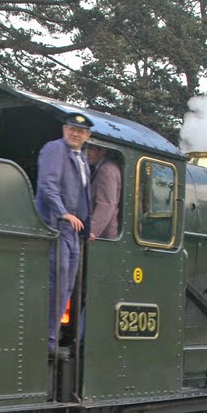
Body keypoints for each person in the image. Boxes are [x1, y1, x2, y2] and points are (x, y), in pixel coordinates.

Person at [35, 112, 92, 355]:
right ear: (64, 129)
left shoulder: (81, 159)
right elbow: (47, 184)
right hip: (56, 226)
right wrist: (62, 213)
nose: (75, 133)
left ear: (87, 136)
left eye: (80, 131)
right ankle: (46, 342)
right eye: (71, 129)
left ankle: (52, 338)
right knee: (56, 284)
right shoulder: (55, 149)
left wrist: (87, 226)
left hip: (73, 230)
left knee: (67, 286)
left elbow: (81, 195)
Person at [86, 145, 121, 240]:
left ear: (102, 152)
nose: (87, 153)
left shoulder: (106, 170)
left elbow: (106, 204)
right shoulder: (106, 168)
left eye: (91, 149)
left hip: (104, 235)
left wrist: (92, 231)